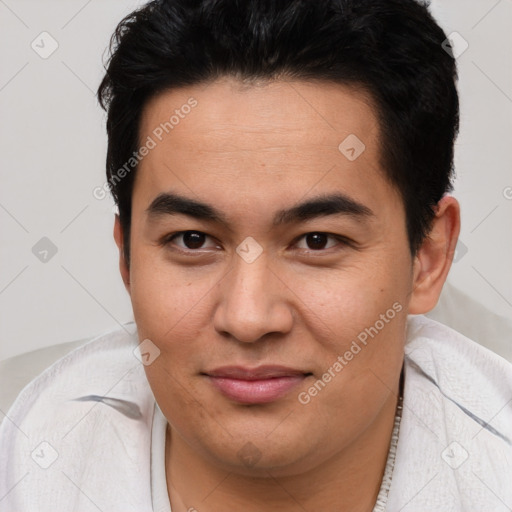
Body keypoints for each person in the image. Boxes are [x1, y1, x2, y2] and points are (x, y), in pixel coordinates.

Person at [1, 0, 511, 511]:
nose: (248, 319)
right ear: (127, 259)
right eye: (193, 240)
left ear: (428, 255)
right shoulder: (22, 451)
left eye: (317, 241)